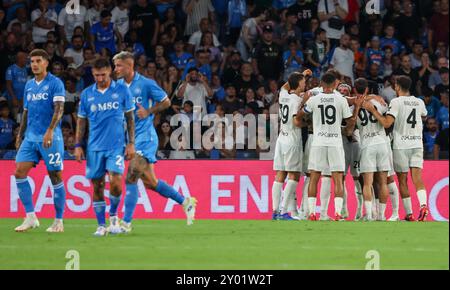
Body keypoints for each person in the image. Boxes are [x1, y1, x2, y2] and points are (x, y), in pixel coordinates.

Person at [112, 51, 197, 231]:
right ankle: (186, 202)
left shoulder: (146, 84)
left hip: (145, 138)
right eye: (115, 66)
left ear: (130, 65)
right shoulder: (117, 86)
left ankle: (126, 223)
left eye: (119, 65)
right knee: (151, 183)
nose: (115, 69)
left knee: (132, 175)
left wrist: (149, 111)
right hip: (128, 139)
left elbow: (166, 102)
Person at [75, 58, 136, 236]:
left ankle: (114, 216)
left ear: (110, 71)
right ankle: (101, 225)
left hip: (116, 146)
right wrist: (78, 144)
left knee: (116, 182)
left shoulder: (122, 89)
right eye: (96, 75)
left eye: (103, 74)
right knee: (98, 186)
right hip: (94, 147)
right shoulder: (87, 94)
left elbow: (130, 118)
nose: (100, 78)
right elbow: (81, 121)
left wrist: (131, 143)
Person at [14, 49, 67, 233]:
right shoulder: (29, 85)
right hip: (31, 137)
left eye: (38, 61)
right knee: (19, 172)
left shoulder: (55, 83)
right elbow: (26, 112)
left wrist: (50, 130)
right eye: (32, 61)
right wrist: (20, 135)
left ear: (46, 62)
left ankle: (58, 221)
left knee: (55, 177)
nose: (34, 64)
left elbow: (59, 109)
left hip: (50, 138)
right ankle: (30, 217)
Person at [364, 76, 429, 221]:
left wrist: (373, 111)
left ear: (397, 87)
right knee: (417, 178)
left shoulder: (396, 102)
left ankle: (409, 213)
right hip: (417, 144)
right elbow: (424, 116)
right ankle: (423, 205)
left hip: (401, 146)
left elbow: (387, 123)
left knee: (403, 180)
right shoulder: (419, 102)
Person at [298, 72, 355, 221]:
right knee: (337, 178)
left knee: (314, 178)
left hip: (318, 142)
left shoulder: (314, 100)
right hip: (335, 142)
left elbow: (301, 115)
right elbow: (349, 120)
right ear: (335, 84)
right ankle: (337, 213)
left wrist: (307, 119)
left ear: (322, 84)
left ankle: (311, 213)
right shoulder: (340, 100)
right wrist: (344, 129)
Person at [349, 78, 391, 221]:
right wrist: (374, 97)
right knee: (383, 182)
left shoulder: (354, 106)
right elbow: (386, 110)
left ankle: (369, 215)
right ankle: (382, 215)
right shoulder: (378, 102)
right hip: (381, 143)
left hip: (366, 144)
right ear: (367, 89)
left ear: (355, 89)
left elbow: (350, 126)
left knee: (367, 182)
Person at [272, 72, 306, 220]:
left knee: (280, 174)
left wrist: (301, 74)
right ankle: (284, 211)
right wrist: (308, 123)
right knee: (294, 175)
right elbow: (296, 122)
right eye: (303, 81)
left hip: (281, 138)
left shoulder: (283, 95)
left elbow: (284, 86)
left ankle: (275, 211)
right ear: (298, 84)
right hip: (292, 140)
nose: (305, 83)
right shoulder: (296, 100)